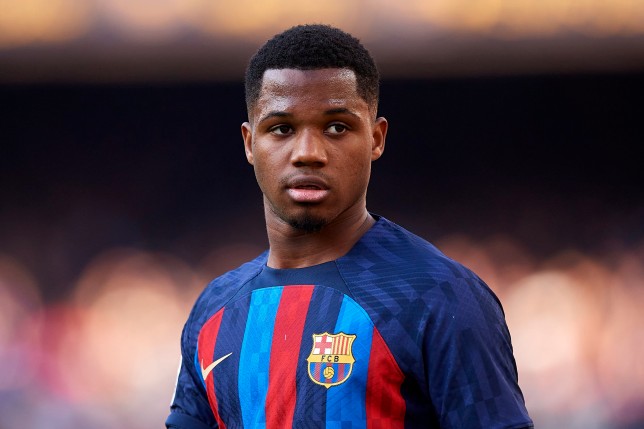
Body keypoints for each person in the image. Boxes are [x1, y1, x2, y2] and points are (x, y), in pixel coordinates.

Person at [166, 24, 533, 429]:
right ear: (250, 143)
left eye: (337, 127)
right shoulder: (213, 309)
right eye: (282, 129)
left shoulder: (441, 297)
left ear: (376, 138)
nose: (308, 153)